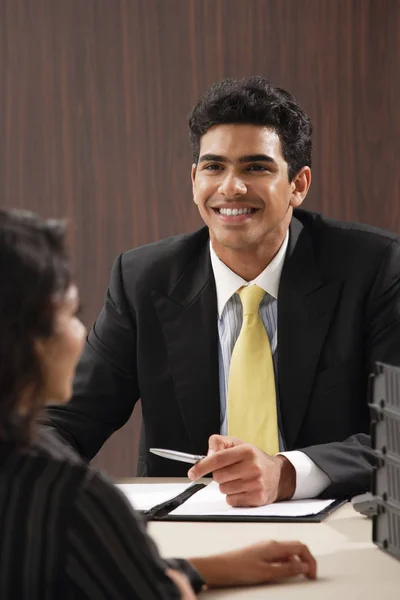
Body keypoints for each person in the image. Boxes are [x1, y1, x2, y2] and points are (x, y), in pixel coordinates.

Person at [45, 76, 400, 507]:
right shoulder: (143, 279)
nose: (231, 187)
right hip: (193, 536)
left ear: (298, 185)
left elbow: (395, 435)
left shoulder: (374, 267)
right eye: (214, 167)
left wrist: (286, 473)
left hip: (338, 527)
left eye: (256, 167)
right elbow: (63, 422)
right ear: (195, 179)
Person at [0, 209, 317, 599]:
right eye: (71, 314)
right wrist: (175, 584)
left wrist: (199, 569)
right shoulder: (73, 499)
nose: (82, 335)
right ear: (26, 339)